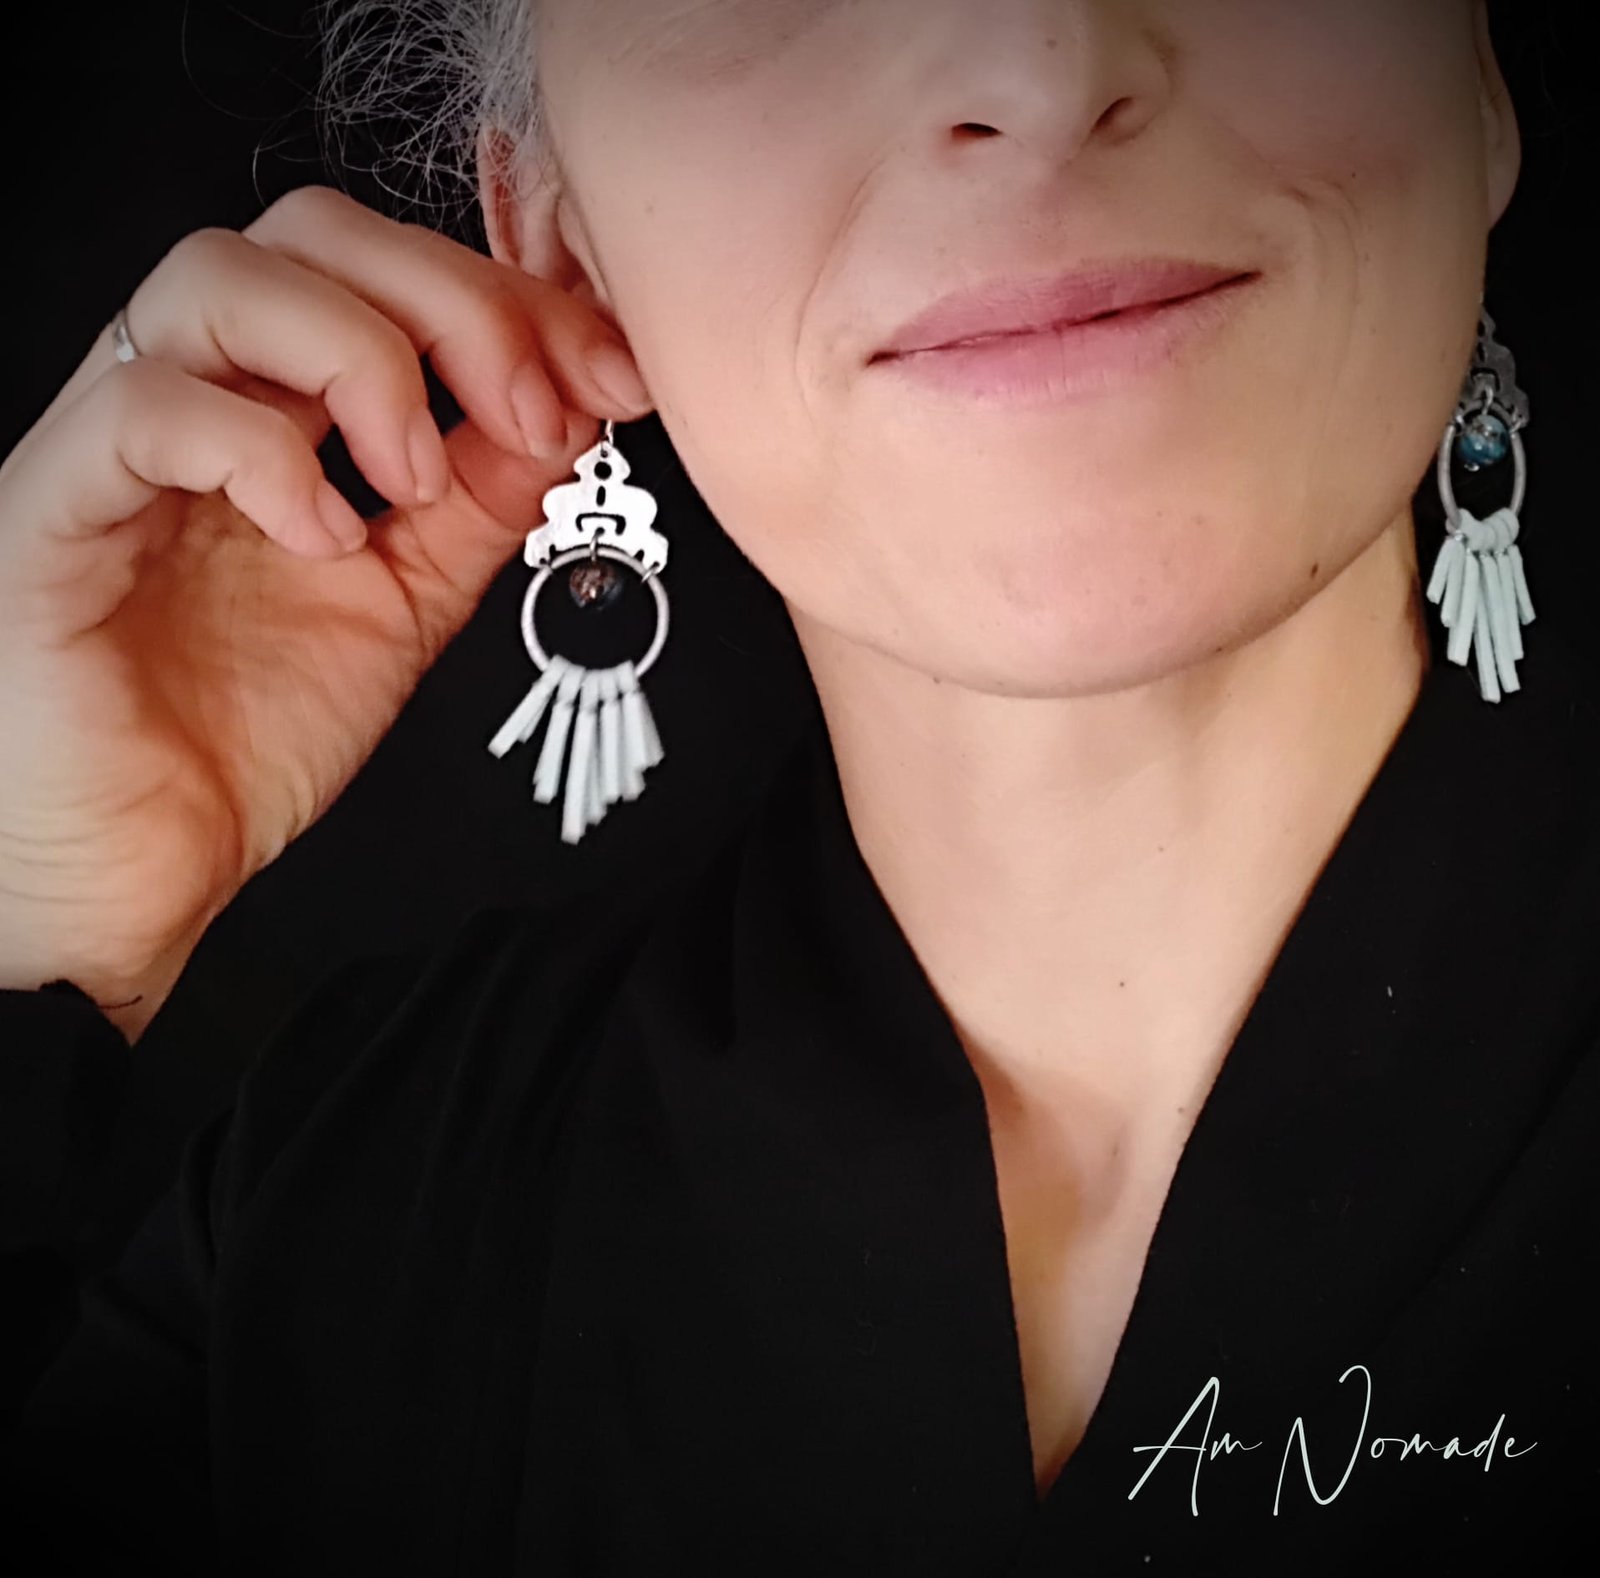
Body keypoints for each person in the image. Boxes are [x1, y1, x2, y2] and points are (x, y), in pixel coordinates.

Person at [0, 0, 1594, 1572]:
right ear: (557, 234)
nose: (1038, 62)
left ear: (1477, 77)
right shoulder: (345, 1232)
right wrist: (31, 905)